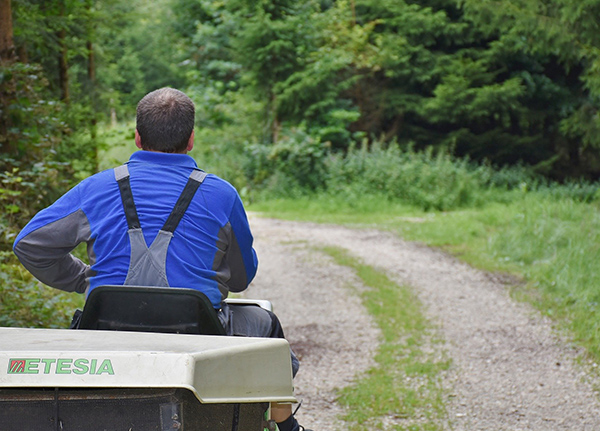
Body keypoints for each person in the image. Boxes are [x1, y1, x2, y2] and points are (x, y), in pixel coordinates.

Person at [13, 87, 309, 431]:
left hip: (105, 328)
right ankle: (286, 426)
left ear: (137, 137)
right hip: (202, 333)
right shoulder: (221, 194)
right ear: (191, 139)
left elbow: (30, 244)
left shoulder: (95, 188)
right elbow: (242, 280)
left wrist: (83, 279)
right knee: (267, 324)